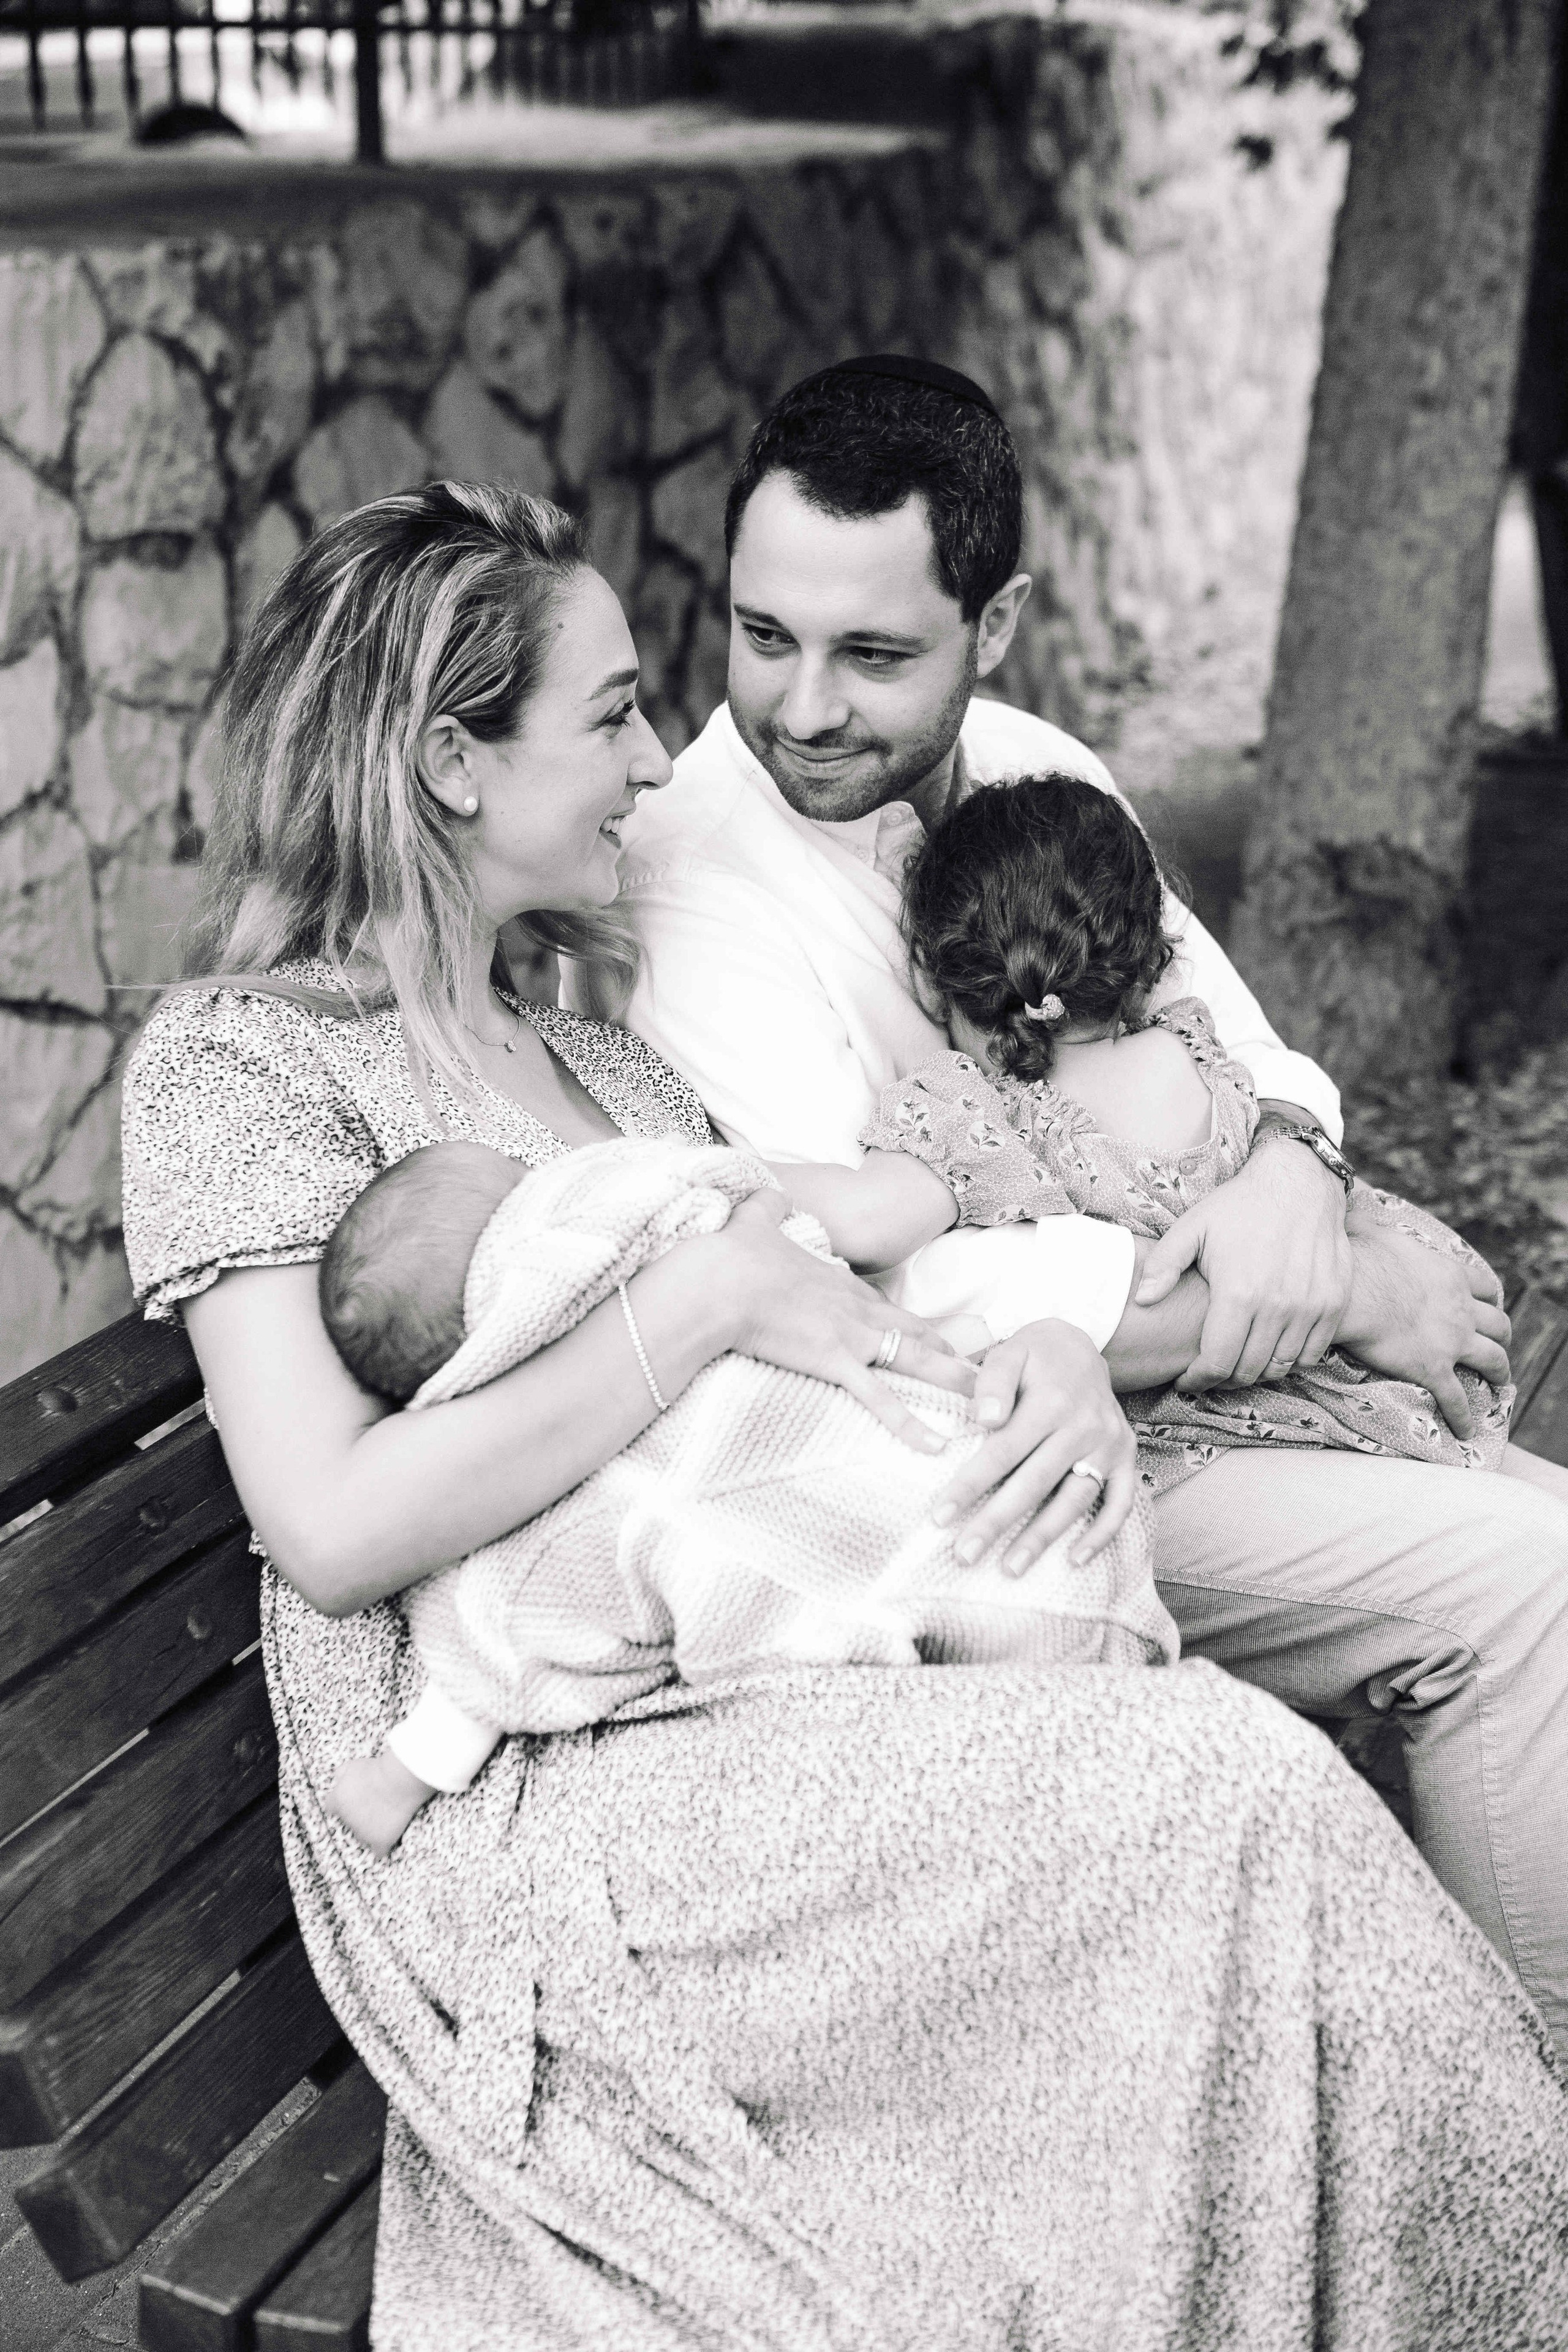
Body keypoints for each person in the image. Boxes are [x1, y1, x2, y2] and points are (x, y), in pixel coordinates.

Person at [121, 481, 1568, 2350]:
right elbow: (328, 1521)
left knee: (1212, 1768)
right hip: (533, 1778)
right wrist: (699, 1291)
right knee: (1232, 1785)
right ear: (450, 764)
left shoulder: (593, 1052)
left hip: (765, 1643)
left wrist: (1040, 1360)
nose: (659, 759)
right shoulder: (244, 1063)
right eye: (613, 712)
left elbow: (851, 1290)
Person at [597, 353, 1568, 2062]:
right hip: (1008, 1481)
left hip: (1212, 1399)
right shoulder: (697, 876)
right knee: (1531, 1586)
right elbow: (900, 1300)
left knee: (1539, 1526)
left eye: (874, 654)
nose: (803, 708)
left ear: (1002, 620)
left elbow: (1251, 1055)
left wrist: (1298, 1179)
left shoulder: (1040, 765)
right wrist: (1341, 1295)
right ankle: (1523, 2138)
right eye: (764, 638)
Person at [318, 1132, 1170, 1856]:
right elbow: (764, 1225)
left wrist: (398, 1780)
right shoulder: (594, 1413)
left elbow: (500, 1640)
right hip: (1024, 1552)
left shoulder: (581, 1502)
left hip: (951, 1624)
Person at [779, 769, 1525, 1492]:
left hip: (1229, 1434)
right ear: (1148, 959)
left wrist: (696, 1161)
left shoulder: (972, 1113)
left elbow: (869, 1224)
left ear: (932, 976)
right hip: (1385, 1390)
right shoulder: (1195, 1046)